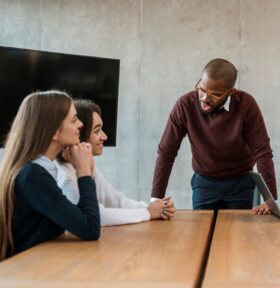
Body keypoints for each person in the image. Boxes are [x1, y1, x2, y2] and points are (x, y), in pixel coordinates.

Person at [151, 58, 276, 213]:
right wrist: (155, 200)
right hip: (204, 183)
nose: (204, 98)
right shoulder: (185, 105)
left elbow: (263, 153)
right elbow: (166, 152)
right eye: (201, 90)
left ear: (231, 92)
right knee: (202, 234)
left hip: (241, 183)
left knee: (237, 235)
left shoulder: (246, 104)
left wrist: (270, 201)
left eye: (214, 95)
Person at [0, 91, 100, 261]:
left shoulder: (36, 170)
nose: (81, 124)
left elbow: (79, 218)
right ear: (54, 132)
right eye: (74, 120)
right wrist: (84, 172)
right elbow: (90, 228)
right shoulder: (33, 176)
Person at [55, 99, 175, 226]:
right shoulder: (65, 178)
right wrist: (148, 213)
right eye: (97, 131)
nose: (105, 136)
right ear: (78, 133)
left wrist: (158, 208)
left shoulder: (87, 167)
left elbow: (116, 201)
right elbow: (98, 216)